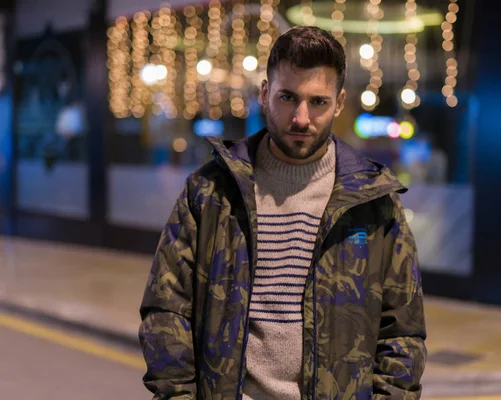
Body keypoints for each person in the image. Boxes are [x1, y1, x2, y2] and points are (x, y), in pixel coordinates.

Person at [139, 26, 427, 400]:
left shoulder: (373, 203)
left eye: (318, 102)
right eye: (288, 97)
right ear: (264, 94)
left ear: (339, 103)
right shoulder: (211, 193)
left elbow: (402, 333)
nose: (301, 118)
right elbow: (167, 311)